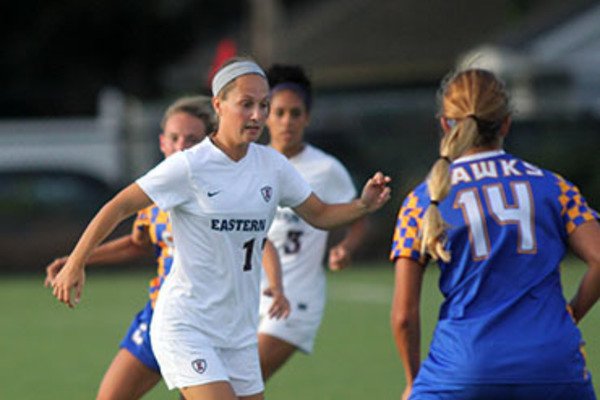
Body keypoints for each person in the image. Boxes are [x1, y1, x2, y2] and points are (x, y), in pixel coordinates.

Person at [50, 57, 391, 400]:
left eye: (263, 105)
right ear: (218, 105)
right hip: (186, 324)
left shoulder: (272, 165)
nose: (257, 115)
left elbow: (320, 214)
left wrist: (362, 205)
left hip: (238, 332)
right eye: (246, 104)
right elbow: (119, 206)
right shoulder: (190, 166)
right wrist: (76, 262)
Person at [390, 68, 600, 400]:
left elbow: (404, 317)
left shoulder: (423, 200)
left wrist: (412, 380)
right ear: (506, 123)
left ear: (446, 124)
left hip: (463, 370)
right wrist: (571, 313)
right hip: (554, 366)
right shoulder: (554, 186)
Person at [44, 96, 219, 399]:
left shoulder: (221, 193)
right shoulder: (154, 192)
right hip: (159, 314)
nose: (181, 146)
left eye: (192, 139)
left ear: (208, 143)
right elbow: (137, 243)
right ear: (162, 142)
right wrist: (77, 260)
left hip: (208, 321)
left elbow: (257, 243)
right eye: (174, 138)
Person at [257, 64, 368, 381]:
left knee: (237, 382)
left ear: (307, 118)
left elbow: (358, 216)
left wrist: (345, 247)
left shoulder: (326, 169)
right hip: (248, 295)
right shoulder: (251, 162)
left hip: (295, 298)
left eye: (295, 113)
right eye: (279, 112)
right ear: (265, 115)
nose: (287, 121)